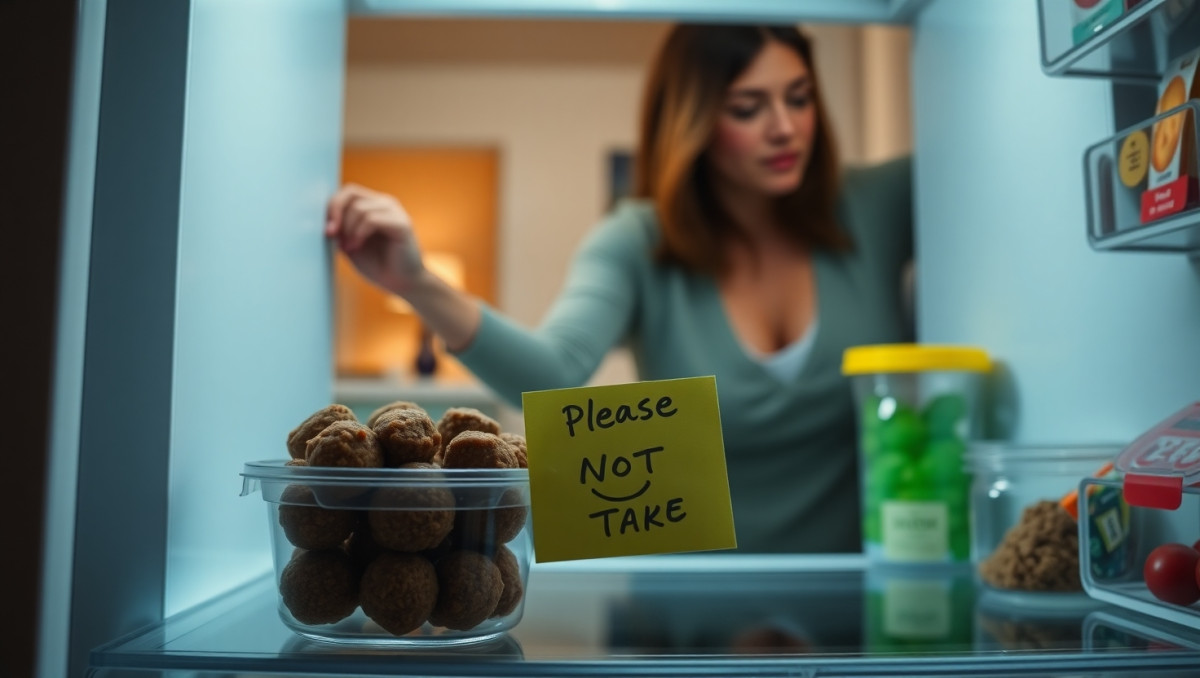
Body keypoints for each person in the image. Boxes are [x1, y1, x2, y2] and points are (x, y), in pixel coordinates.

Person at [326, 24, 913, 553]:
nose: (785, 127)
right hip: (687, 610)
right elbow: (551, 373)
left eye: (800, 98)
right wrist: (415, 281)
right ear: (695, 119)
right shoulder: (637, 239)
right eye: (747, 107)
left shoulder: (877, 205)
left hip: (858, 588)